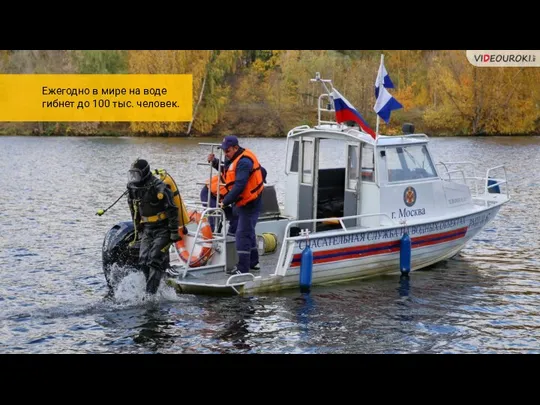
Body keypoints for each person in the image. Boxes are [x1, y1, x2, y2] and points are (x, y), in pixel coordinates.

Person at [207, 135, 265, 275]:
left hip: (251, 202)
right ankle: (253, 262)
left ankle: (243, 269)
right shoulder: (233, 159)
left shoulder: (244, 162)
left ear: (235, 148)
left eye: (227, 151)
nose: (225, 154)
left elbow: (239, 185)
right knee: (248, 231)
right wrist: (214, 162)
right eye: (224, 151)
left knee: (242, 235)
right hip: (241, 202)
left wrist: (224, 201)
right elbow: (228, 171)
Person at [126, 158, 181, 294]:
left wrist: (174, 231)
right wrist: (137, 227)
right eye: (132, 174)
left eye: (137, 174)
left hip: (163, 228)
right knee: (143, 260)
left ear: (144, 173)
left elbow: (172, 209)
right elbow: (133, 208)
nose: (134, 177)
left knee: (154, 259)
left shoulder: (159, 187)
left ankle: (151, 295)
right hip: (147, 228)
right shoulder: (134, 188)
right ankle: (151, 288)